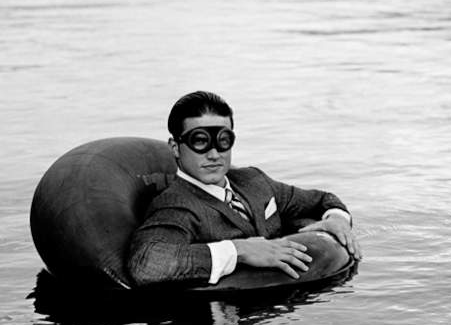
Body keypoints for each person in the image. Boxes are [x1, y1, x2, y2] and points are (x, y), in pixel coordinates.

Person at [127, 91, 357, 287]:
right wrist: (239, 251)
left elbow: (322, 200)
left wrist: (338, 220)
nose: (214, 154)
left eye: (223, 140)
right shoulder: (176, 205)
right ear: (175, 147)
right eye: (200, 141)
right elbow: (146, 264)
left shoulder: (253, 180)